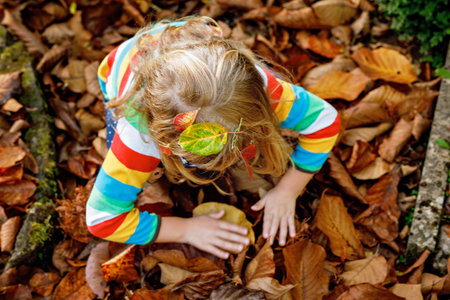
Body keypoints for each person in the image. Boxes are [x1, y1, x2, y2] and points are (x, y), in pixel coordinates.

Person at [86, 16, 340, 259]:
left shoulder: (261, 90)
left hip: (198, 53)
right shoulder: (138, 138)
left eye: (239, 146)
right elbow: (101, 218)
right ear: (164, 143)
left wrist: (289, 189)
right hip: (121, 70)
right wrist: (186, 230)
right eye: (199, 155)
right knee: (132, 165)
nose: (228, 163)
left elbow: (325, 121)